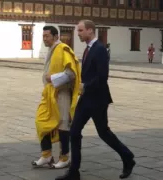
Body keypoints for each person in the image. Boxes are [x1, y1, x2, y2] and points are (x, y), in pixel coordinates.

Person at [55, 20, 135, 180]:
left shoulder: (100, 49)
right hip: (85, 99)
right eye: (77, 30)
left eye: (80, 30)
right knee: (75, 132)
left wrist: (86, 86)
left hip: (98, 99)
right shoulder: (87, 49)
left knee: (103, 133)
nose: (78, 33)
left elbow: (103, 76)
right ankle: (74, 172)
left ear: (90, 31)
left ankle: (127, 157)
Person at [32, 26, 81, 169]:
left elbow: (71, 73)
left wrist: (51, 77)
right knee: (41, 121)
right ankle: (46, 155)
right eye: (43, 36)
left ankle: (64, 157)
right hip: (49, 94)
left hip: (62, 93)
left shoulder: (63, 49)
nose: (45, 38)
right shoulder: (51, 50)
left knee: (63, 124)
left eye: (47, 36)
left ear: (55, 36)